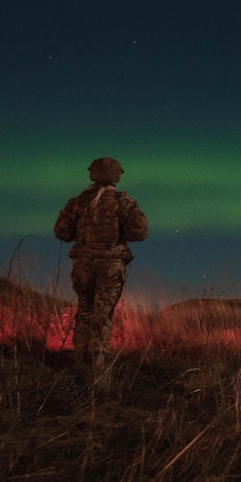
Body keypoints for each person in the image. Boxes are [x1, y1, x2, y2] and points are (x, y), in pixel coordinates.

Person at [53, 157, 149, 373]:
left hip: (82, 264)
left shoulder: (77, 202)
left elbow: (62, 232)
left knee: (85, 310)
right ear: (116, 176)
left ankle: (79, 359)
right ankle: (98, 365)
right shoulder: (124, 202)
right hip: (111, 265)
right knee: (102, 313)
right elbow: (139, 232)